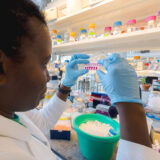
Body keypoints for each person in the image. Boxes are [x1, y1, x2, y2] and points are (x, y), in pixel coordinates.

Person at [0, 0, 160, 160]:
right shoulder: (7, 154)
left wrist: (65, 86)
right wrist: (130, 107)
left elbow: (41, 123)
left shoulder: (9, 108)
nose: (48, 76)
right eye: (43, 64)